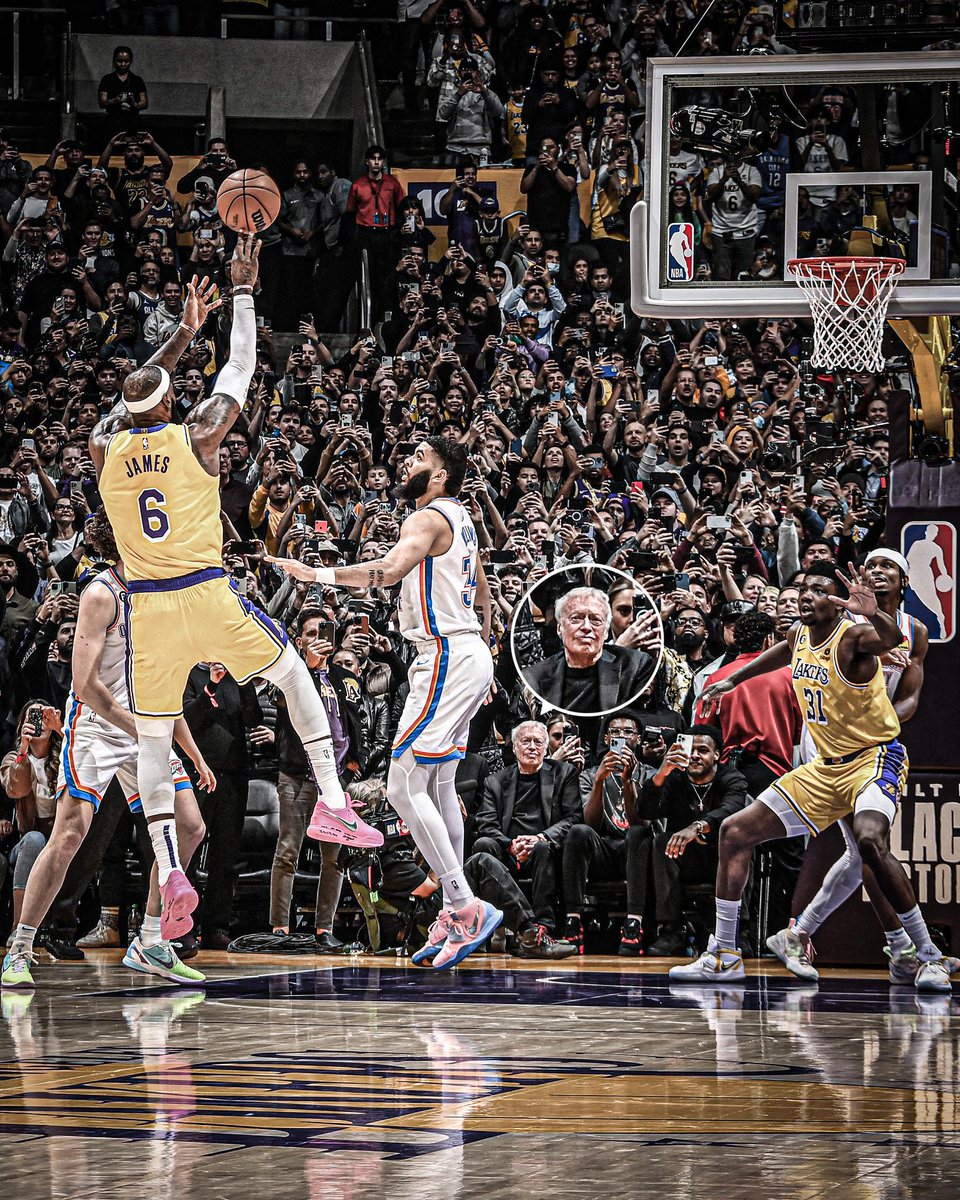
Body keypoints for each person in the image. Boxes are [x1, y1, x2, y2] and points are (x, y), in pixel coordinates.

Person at [87, 237, 382, 945]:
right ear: (170, 402)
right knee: (292, 675)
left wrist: (177, 336)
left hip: (148, 607)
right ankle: (334, 802)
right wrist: (241, 293)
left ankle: (168, 870)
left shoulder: (103, 445)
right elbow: (243, 364)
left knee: (154, 742)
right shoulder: (198, 435)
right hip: (207, 592)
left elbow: (126, 400)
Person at [268, 436, 502, 970]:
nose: (407, 461)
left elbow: (391, 571)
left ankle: (463, 905)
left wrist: (319, 575)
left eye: (420, 458)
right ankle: (452, 907)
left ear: (440, 476)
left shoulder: (424, 518)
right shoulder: (461, 518)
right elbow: (483, 587)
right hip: (463, 652)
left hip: (443, 654)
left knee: (401, 782)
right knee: (439, 786)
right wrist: (482, 646)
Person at [674, 563, 953, 993]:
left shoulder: (854, 636)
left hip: (874, 757)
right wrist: (731, 680)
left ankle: (927, 953)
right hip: (826, 765)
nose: (806, 596)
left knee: (868, 843)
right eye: (802, 589)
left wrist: (873, 610)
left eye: (819, 590)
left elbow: (891, 639)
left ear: (836, 603)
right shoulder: (798, 634)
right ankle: (724, 953)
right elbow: (781, 654)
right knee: (734, 831)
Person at [2, 509, 211, 991]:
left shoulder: (160, 594)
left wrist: (190, 750)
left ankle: (151, 942)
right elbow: (86, 685)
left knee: (190, 826)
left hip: (144, 723)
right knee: (70, 832)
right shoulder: (100, 593)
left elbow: (161, 681)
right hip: (96, 725)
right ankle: (19, 946)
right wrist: (139, 731)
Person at [767, 549, 956, 986]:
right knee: (866, 848)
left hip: (873, 740)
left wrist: (877, 714)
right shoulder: (843, 621)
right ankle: (907, 950)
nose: (876, 571)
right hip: (829, 744)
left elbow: (910, 697)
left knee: (864, 850)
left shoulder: (914, 631)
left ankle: (881, 944)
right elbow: (795, 649)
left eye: (887, 566)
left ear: (904, 581)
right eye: (870, 565)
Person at [638, 726, 748, 955]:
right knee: (660, 842)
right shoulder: (675, 778)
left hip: (720, 859)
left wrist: (695, 827)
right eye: (691, 750)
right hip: (685, 859)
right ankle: (671, 931)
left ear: (716, 754)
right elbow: (646, 812)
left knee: (742, 844)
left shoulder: (731, 777)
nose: (695, 755)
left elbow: (732, 809)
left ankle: (739, 932)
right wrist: (661, 773)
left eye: (703, 750)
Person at [474, 720, 580, 933]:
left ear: (546, 747)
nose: (532, 747)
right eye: (526, 741)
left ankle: (543, 925)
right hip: (508, 851)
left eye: (538, 742)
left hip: (546, 850)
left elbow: (573, 817)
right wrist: (510, 845)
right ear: (514, 747)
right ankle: (491, 925)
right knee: (483, 844)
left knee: (543, 848)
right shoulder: (495, 781)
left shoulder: (564, 773)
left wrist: (541, 838)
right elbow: (486, 823)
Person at [521, 587, 654, 715]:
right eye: (576, 618)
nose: (586, 627)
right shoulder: (534, 677)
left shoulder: (636, 665)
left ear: (606, 631)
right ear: (559, 628)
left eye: (595, 620)